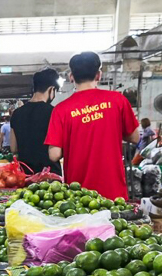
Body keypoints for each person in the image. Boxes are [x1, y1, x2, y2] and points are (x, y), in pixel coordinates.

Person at [45, 51, 139, 200]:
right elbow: (135, 137)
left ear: (71, 77)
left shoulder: (61, 110)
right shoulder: (117, 101)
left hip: (79, 196)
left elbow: (54, 154)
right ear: (98, 75)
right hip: (113, 193)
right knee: (116, 224)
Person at [10, 68, 60, 175]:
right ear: (52, 89)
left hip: (25, 175)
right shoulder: (54, 113)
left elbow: (13, 148)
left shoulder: (17, 113)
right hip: (50, 176)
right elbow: (56, 153)